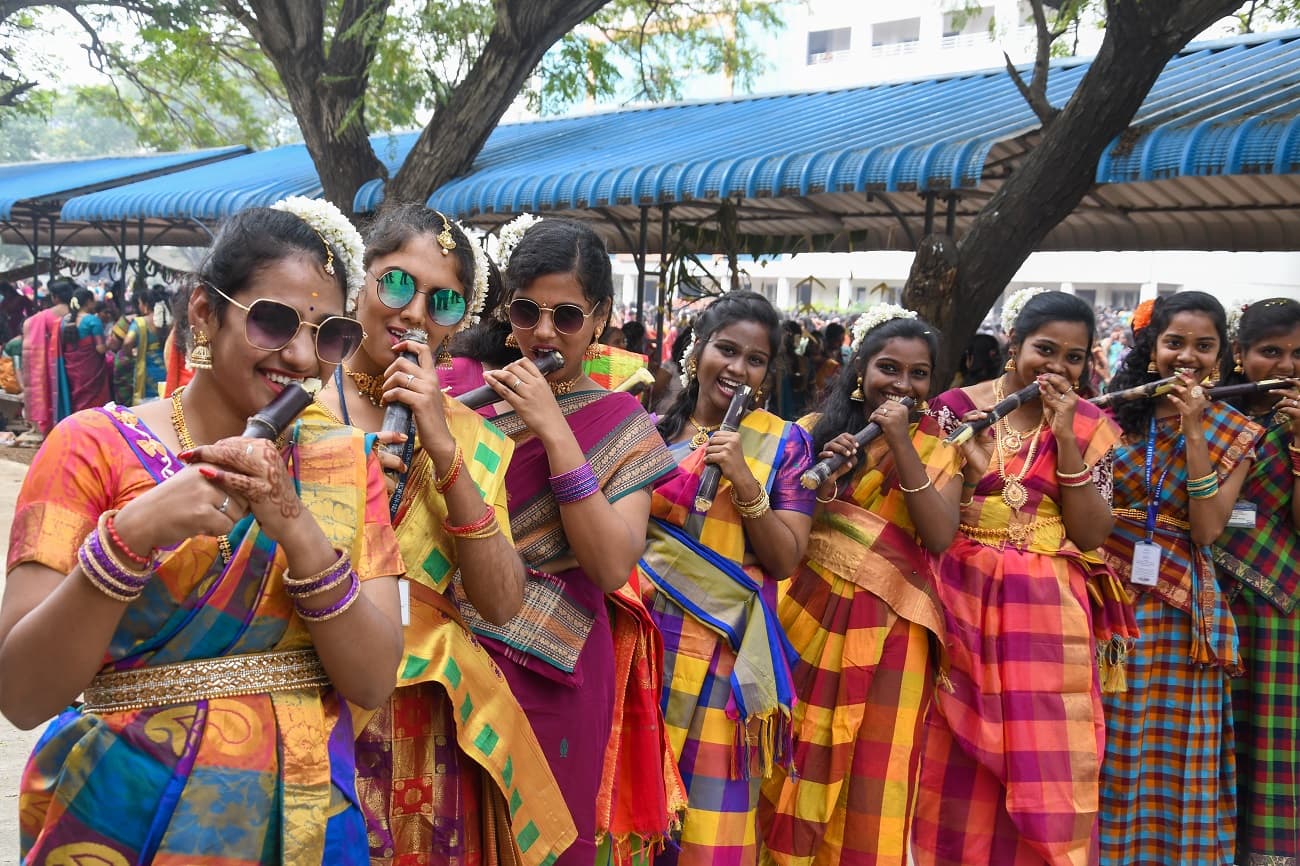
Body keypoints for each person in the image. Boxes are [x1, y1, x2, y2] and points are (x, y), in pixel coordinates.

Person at [0, 199, 406, 863]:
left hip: (301, 824)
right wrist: (131, 537)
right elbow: (21, 694)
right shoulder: (91, 448)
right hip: (120, 815)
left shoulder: (344, 461)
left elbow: (372, 680)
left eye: (328, 334)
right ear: (202, 313)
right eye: (274, 323)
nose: (303, 357)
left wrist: (296, 528)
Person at [314, 202, 575, 865]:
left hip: (428, 727)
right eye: (397, 283)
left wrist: (446, 454)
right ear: (360, 281)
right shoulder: (301, 402)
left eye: (443, 301)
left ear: (456, 328)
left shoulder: (470, 437)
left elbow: (501, 603)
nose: (414, 314)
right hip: (312, 697)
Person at [472, 217, 677, 865]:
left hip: (555, 680)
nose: (542, 334)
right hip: (456, 661)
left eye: (566, 316)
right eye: (527, 311)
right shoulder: (468, 399)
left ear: (601, 318)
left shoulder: (624, 423)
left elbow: (612, 563)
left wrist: (553, 431)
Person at [914, 289, 1125, 866]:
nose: (1058, 367)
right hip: (960, 596)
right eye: (1045, 349)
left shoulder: (1090, 423)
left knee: (1043, 756)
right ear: (1014, 345)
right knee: (956, 752)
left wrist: (1065, 437)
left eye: (1075, 357)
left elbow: (1091, 535)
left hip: (1047, 613)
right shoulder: (956, 408)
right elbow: (933, 511)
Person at [759, 307, 961, 866]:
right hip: (800, 617)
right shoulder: (807, 433)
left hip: (894, 636)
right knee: (786, 760)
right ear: (859, 371)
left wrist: (901, 444)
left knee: (873, 781)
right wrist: (826, 479)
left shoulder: (940, 449)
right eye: (888, 368)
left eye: (918, 374)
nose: (901, 384)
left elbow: (939, 534)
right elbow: (776, 527)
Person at [639, 290, 816, 866]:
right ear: (697, 350)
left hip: (724, 651)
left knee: (706, 832)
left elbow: (786, 559)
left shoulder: (783, 442)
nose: (738, 368)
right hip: (640, 643)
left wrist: (744, 481)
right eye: (726, 349)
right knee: (632, 811)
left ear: (768, 372)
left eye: (755, 359)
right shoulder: (646, 427)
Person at [1098, 291, 1263, 866]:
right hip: (1101, 599)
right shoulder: (1111, 413)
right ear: (1152, 347)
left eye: (1203, 345)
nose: (1186, 356)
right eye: (1175, 342)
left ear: (1223, 355)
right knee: (1107, 746)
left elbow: (1207, 529)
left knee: (1170, 755)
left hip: (1176, 615)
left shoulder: (1233, 430)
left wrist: (1194, 428)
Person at [1212, 297, 1300, 866]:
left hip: (1281, 614)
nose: (1286, 365)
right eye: (1271, 352)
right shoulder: (1213, 419)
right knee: (1214, 736)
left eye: (1298, 354)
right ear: (1239, 355)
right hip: (1206, 605)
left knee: (1271, 739)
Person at [22, 277, 74, 435]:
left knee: (52, 397)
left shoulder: (43, 317)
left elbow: (30, 335)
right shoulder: (77, 315)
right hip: (75, 364)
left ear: (54, 297)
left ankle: (54, 431)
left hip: (53, 364)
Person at [60, 287, 112, 413]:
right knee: (94, 406)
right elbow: (100, 349)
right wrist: (110, 343)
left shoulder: (65, 321)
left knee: (77, 403)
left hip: (73, 372)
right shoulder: (92, 320)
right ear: (88, 301)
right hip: (91, 374)